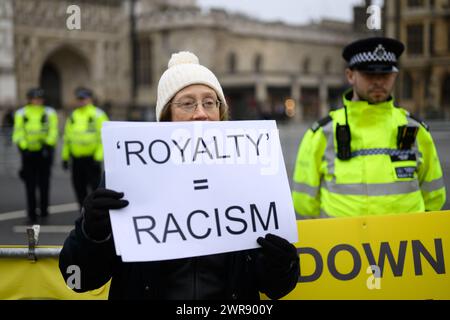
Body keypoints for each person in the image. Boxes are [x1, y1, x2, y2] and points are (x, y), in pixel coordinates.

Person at [59, 52, 300, 300]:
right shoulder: (125, 178)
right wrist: (92, 234)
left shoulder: (252, 177)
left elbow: (277, 287)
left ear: (220, 113)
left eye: (209, 102)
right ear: (165, 116)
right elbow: (77, 279)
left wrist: (282, 264)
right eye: (187, 103)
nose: (201, 113)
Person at [292, 37, 446, 218]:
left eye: (385, 74)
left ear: (395, 75)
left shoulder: (415, 130)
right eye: (369, 74)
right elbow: (303, 203)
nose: (379, 82)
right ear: (350, 75)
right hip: (345, 245)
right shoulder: (321, 134)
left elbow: (435, 198)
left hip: (402, 244)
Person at [12, 88, 58, 223]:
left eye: (40, 98)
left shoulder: (49, 112)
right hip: (28, 154)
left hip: (44, 152)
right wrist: (24, 148)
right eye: (35, 98)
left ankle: (44, 211)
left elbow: (53, 130)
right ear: (30, 99)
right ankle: (32, 213)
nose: (38, 101)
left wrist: (47, 144)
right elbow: (18, 132)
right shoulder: (21, 113)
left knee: (44, 183)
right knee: (30, 185)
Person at [61, 87, 109, 209]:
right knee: (79, 187)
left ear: (90, 99)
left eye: (84, 98)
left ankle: (96, 212)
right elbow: (68, 138)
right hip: (76, 159)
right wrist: (65, 157)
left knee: (95, 188)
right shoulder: (73, 116)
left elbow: (104, 136)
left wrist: (98, 156)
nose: (81, 101)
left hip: (92, 158)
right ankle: (82, 212)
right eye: (79, 99)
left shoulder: (98, 115)